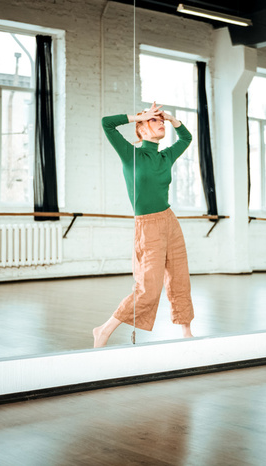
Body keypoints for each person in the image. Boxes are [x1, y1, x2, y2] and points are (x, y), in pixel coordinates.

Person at [93, 102, 194, 347]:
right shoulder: (131, 155)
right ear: (142, 130)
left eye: (160, 121)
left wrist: (171, 118)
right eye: (154, 121)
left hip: (169, 221)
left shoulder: (165, 156)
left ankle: (186, 332)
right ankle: (104, 329)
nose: (160, 124)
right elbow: (107, 123)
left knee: (180, 277)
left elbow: (186, 137)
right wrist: (138, 115)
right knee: (148, 287)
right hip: (147, 227)